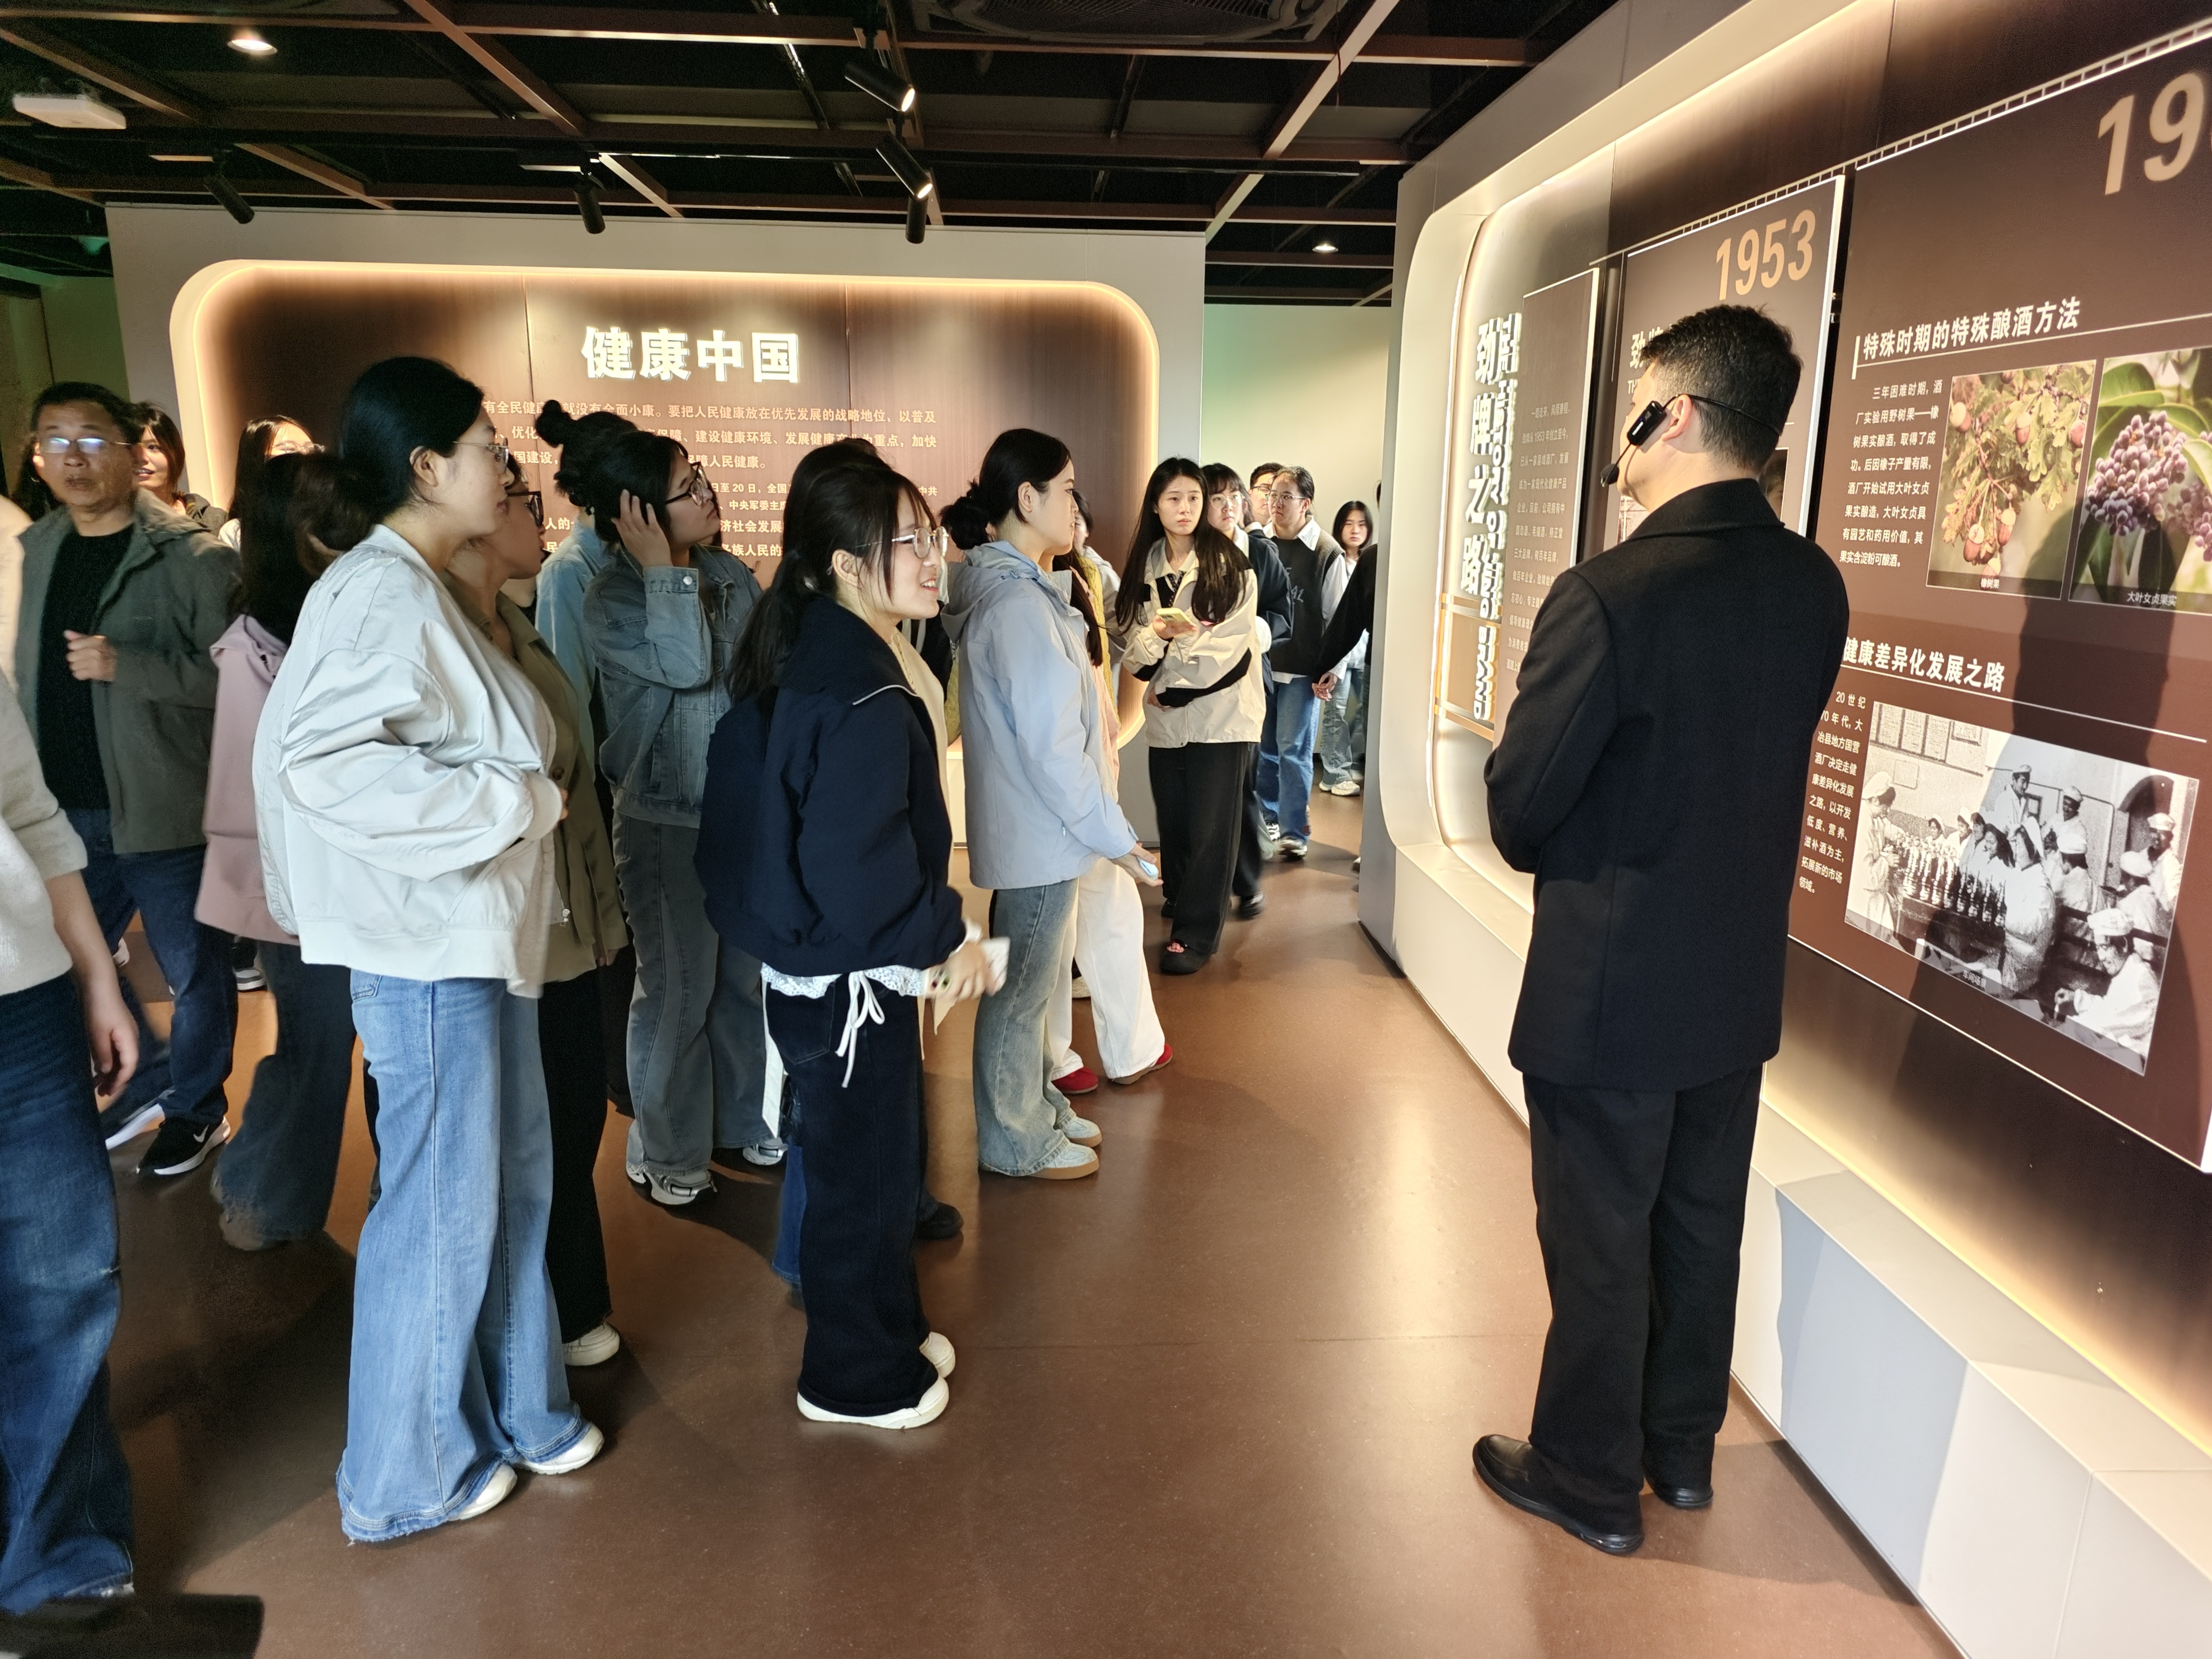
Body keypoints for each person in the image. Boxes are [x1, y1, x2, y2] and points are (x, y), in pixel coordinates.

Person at [1475, 305, 1848, 1555]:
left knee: (1598, 1237)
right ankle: (1677, 1451)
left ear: (1672, 414)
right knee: (1697, 1222)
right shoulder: (1810, 584)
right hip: (1731, 982)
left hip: (1608, 988)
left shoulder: (1608, 594)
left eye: (1636, 402)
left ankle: (1586, 1474)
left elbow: (1521, 809)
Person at [257, 356, 599, 1539]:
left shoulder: (415, 585)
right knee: (442, 1204)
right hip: (426, 948)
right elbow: (320, 767)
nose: (504, 468)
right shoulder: (377, 591)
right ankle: (404, 1472)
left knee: (507, 1182)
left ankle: (520, 1409)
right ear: (423, 465)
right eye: (487, 450)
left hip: (468, 939)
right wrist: (511, 803)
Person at [698, 458, 991, 1428]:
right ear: (843, 560)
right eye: (909, 541)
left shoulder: (828, 653)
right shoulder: (857, 685)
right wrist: (951, 936)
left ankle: (890, 1329)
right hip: (849, 981)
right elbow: (860, 867)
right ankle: (851, 1375)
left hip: (830, 972)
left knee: (875, 1167)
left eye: (929, 537)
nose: (932, 557)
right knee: (860, 1182)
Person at [17, 381, 238, 1178]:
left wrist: (127, 666)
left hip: (163, 808)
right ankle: (145, 1074)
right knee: (64, 958)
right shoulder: (35, 548)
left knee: (193, 972)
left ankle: (198, 1108)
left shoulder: (193, 558)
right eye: (54, 441)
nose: (72, 458)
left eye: (90, 439)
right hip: (62, 809)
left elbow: (241, 681)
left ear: (130, 449)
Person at [442, 454, 630, 1368]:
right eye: (517, 497)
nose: (535, 511)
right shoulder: (444, 632)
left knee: (570, 1118)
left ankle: (573, 1301)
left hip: (566, 922)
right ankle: (535, 1325)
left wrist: (601, 917)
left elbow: (576, 788)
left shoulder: (513, 622)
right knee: (530, 1132)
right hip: (501, 932)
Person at [562, 413, 777, 1205]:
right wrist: (663, 569)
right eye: (688, 487)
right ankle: (665, 1149)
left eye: (700, 476)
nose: (709, 493)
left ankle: (740, 1120)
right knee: (679, 990)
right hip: (664, 823)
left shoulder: (729, 573)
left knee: (741, 982)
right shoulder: (612, 596)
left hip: (737, 816)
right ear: (639, 515)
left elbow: (759, 681)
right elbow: (685, 666)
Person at [941, 428, 1155, 1182]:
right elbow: (1055, 752)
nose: (1075, 504)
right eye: (1065, 489)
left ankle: (1033, 1105)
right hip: (1040, 835)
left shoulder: (1023, 592)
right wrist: (1118, 838)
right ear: (1026, 498)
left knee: (1030, 988)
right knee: (1022, 995)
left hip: (1042, 834)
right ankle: (1013, 1137)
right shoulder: (1018, 607)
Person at [195, 453, 366, 1251]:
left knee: (318, 1045)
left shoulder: (323, 623)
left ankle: (256, 1182)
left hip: (340, 886)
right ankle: (263, 1201)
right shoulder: (255, 648)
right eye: (333, 517)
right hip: (297, 895)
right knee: (317, 1046)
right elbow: (251, 800)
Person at [0, 689, 139, 1613]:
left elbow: (27, 809)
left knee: (64, 1276)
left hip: (20, 997)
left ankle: (58, 1553)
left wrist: (97, 975)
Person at [532, 404, 644, 1115]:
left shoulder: (632, 561)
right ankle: (622, 1077)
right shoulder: (569, 574)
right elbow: (570, 701)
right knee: (617, 946)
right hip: (604, 784)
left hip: (637, 779)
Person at [1115, 458, 1265, 977]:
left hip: (1222, 718)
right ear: (1155, 506)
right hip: (1166, 721)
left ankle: (1196, 934)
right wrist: (1158, 639)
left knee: (1210, 828)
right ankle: (1180, 898)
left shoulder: (1230, 564)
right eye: (1174, 499)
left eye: (1194, 499)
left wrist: (1168, 681)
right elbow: (1133, 650)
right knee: (1176, 820)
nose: (1186, 509)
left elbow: (1226, 651)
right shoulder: (1145, 566)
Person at [1044, 488, 1169, 1085]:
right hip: (1053, 789)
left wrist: (1158, 635)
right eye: (1061, 504)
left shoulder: (1089, 574)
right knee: (1050, 928)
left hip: (1096, 774)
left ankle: (1133, 1046)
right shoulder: (1016, 592)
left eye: (1078, 511)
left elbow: (1122, 644)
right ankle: (1051, 1057)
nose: (1073, 520)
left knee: (1112, 908)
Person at [1257, 464, 1344, 860]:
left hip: (1302, 670)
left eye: (1286, 497)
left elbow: (1337, 617)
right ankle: (1268, 820)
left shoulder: (1326, 551)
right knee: (1264, 750)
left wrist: (1332, 669)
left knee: (1293, 749)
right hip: (1262, 665)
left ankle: (1295, 831)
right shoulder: (1260, 543)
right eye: (1272, 495)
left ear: (1306, 504)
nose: (1276, 504)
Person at [1316, 501, 1372, 796]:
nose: (1355, 530)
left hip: (1366, 653)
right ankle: (1335, 773)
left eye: (1361, 524)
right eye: (1349, 523)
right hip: (1341, 653)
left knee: (1365, 712)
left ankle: (1353, 762)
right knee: (1335, 713)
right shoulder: (1335, 562)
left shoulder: (1373, 562)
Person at [2056, 909, 2160, 1056]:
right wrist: (2077, 997)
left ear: (2123, 945)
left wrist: (2065, 1027)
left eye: (2105, 948)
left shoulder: (2140, 980)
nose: (2101, 957)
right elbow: (2111, 1007)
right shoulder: (2128, 971)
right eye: (2098, 948)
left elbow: (2106, 1021)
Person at [218, 415, 315, 550]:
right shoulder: (236, 532)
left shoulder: (327, 519)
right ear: (257, 462)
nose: (304, 456)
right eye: (289, 449)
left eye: (311, 450)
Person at [130, 403, 225, 535]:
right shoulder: (108, 529)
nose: (142, 458)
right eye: (130, 448)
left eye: (153, 447)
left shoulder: (215, 522)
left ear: (176, 455)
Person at [2147, 811, 2182, 922]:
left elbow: (2172, 904)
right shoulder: (2144, 856)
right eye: (2154, 831)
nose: (2156, 837)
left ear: (2170, 837)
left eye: (2162, 833)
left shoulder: (2173, 866)